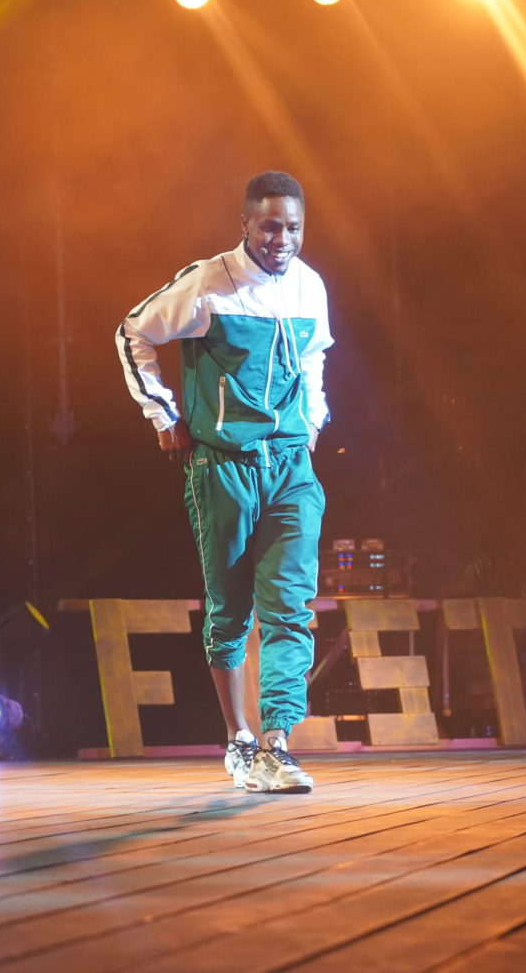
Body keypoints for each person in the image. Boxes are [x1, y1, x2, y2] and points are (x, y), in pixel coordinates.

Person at [116, 171, 332, 793]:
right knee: (230, 609)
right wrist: (163, 414)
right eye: (270, 226)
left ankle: (277, 743)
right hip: (223, 466)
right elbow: (133, 332)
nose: (281, 239)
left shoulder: (310, 285)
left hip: (289, 465)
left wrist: (314, 419)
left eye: (292, 227)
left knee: (290, 606)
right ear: (246, 225)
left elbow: (314, 356)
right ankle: (238, 738)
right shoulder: (209, 282)